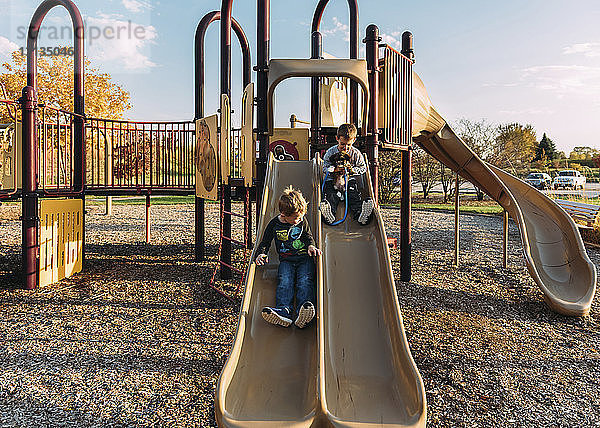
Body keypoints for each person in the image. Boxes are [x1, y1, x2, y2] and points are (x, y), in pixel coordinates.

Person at [255, 186, 322, 328]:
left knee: (305, 281)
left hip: (305, 259)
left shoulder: (302, 221)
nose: (299, 220)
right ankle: (284, 311)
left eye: (301, 217)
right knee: (285, 281)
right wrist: (261, 253)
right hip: (286, 260)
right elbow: (265, 242)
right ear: (284, 214)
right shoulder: (274, 224)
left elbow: (308, 236)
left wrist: (311, 246)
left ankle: (303, 312)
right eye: (296, 218)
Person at [319, 123, 374, 225]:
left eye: (348, 145)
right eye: (342, 144)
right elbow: (324, 166)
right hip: (332, 180)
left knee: (353, 195)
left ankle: (360, 214)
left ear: (354, 140)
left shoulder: (356, 153)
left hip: (348, 180)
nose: (345, 148)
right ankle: (329, 214)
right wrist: (333, 170)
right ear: (337, 139)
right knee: (331, 195)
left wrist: (351, 170)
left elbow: (363, 168)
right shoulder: (330, 152)